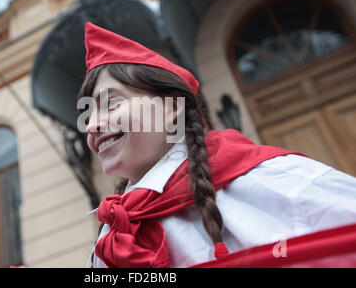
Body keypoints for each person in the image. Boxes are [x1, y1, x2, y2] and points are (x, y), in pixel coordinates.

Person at [78, 22, 356, 268]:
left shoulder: (269, 180)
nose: (91, 126)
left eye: (111, 103)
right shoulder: (113, 232)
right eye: (87, 114)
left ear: (172, 107)